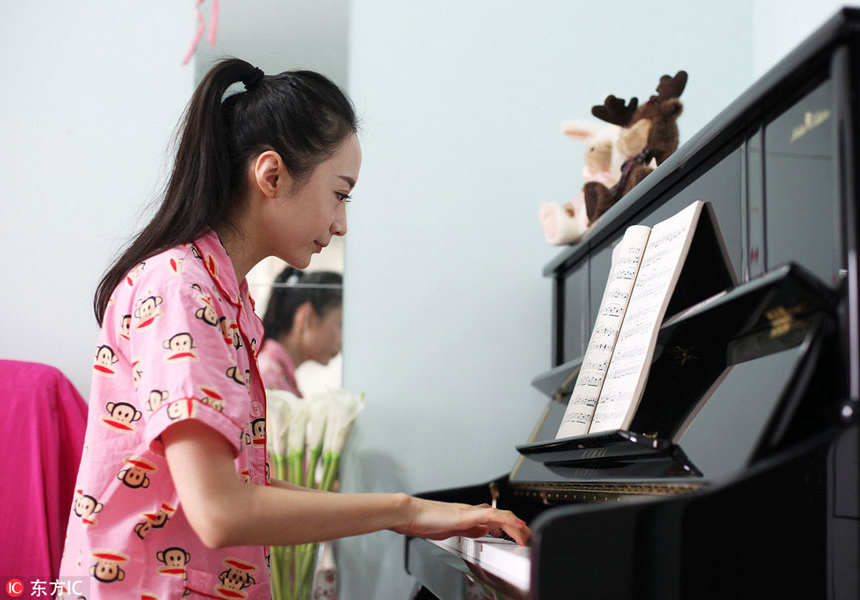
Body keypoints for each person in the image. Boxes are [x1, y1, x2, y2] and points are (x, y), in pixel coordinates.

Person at [59, 59, 529, 599]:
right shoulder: (181, 288)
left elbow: (241, 486)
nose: (341, 223)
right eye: (341, 193)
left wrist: (414, 514)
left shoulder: (220, 295)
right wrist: (405, 510)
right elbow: (220, 511)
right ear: (272, 175)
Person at [257, 268, 343, 397]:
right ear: (306, 317)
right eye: (341, 326)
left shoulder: (275, 375)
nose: (343, 342)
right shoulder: (268, 379)